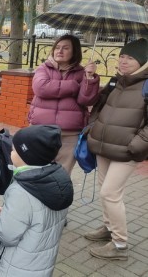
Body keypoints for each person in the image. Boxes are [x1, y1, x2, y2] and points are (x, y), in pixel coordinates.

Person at [84, 38, 148, 261]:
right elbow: (95, 104)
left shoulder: (146, 84)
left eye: (130, 57)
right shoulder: (116, 81)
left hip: (127, 151)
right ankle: (109, 228)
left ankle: (120, 244)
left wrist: (136, 145)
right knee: (105, 190)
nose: (123, 61)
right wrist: (92, 128)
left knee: (109, 193)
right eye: (121, 56)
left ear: (143, 61)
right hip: (104, 146)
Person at [0, 125, 73, 277]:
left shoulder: (21, 192)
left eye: (15, 149)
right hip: (41, 265)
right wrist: (11, 213)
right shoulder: (59, 180)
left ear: (27, 156)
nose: (11, 151)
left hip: (15, 268)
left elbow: (6, 235)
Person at [29, 34, 100, 175]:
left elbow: (86, 100)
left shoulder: (82, 73)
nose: (59, 51)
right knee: (35, 171)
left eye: (66, 48)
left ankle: (55, 197)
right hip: (41, 130)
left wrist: (89, 77)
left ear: (75, 52)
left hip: (69, 134)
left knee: (61, 175)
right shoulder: (44, 68)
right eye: (57, 47)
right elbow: (41, 88)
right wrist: (73, 85)